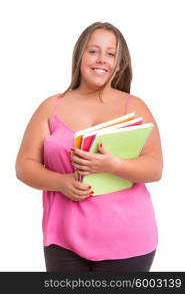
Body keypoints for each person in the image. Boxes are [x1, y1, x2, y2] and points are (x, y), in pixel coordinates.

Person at [15, 22, 163, 272]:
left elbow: (155, 168)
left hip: (128, 242)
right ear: (80, 55)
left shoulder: (134, 107)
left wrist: (112, 165)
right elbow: (24, 166)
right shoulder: (52, 107)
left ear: (120, 63)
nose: (101, 59)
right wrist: (60, 182)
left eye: (110, 53)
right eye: (93, 51)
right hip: (63, 242)